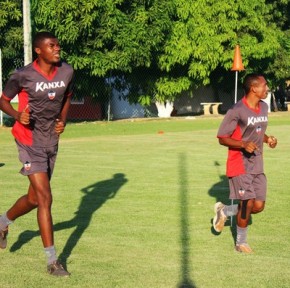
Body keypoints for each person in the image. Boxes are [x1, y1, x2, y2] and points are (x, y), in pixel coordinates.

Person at [0, 31, 74, 276]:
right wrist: (16, 115)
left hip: (50, 140)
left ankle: (2, 222)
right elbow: (3, 100)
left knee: (34, 199)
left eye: (58, 45)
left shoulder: (66, 71)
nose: (57, 49)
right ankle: (53, 262)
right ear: (38, 51)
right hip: (28, 141)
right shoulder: (22, 75)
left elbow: (68, 96)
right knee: (45, 198)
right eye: (52, 45)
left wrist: (62, 120)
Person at [213, 73, 277, 253]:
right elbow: (222, 138)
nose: (267, 88)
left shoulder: (264, 107)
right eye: (264, 85)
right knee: (247, 203)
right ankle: (241, 243)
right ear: (253, 88)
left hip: (257, 164)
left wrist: (267, 139)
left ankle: (224, 211)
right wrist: (242, 144)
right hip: (239, 164)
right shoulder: (236, 111)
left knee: (258, 206)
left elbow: (256, 131)